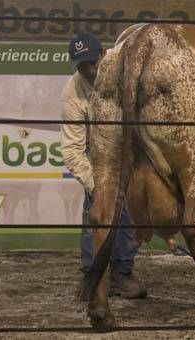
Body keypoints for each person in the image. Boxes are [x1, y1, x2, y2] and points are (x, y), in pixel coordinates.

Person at [60, 33, 147, 299]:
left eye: (92, 62)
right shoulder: (72, 94)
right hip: (96, 150)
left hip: (129, 144)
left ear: (104, 55)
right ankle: (92, 273)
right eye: (81, 65)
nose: (88, 70)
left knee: (126, 208)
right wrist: (98, 188)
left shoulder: (128, 73)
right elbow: (73, 151)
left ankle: (122, 273)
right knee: (95, 207)